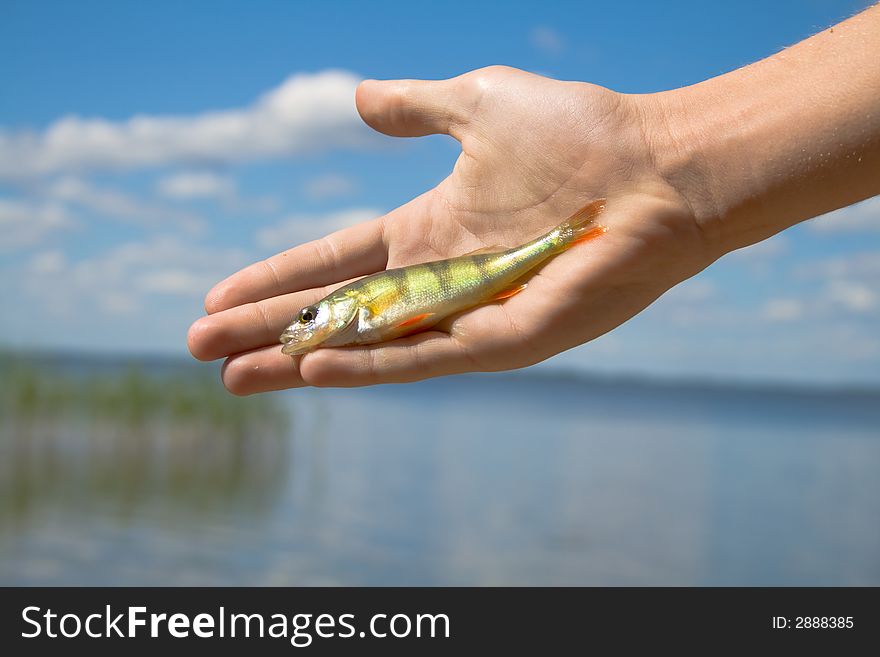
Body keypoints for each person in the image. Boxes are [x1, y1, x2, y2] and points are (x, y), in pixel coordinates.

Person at [188, 6, 880, 394]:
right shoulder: (357, 314)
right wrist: (670, 169)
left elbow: (411, 305)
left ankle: (561, 238)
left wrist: (654, 157)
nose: (310, 321)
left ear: (340, 305)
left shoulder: (358, 306)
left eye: (313, 314)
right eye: (309, 319)